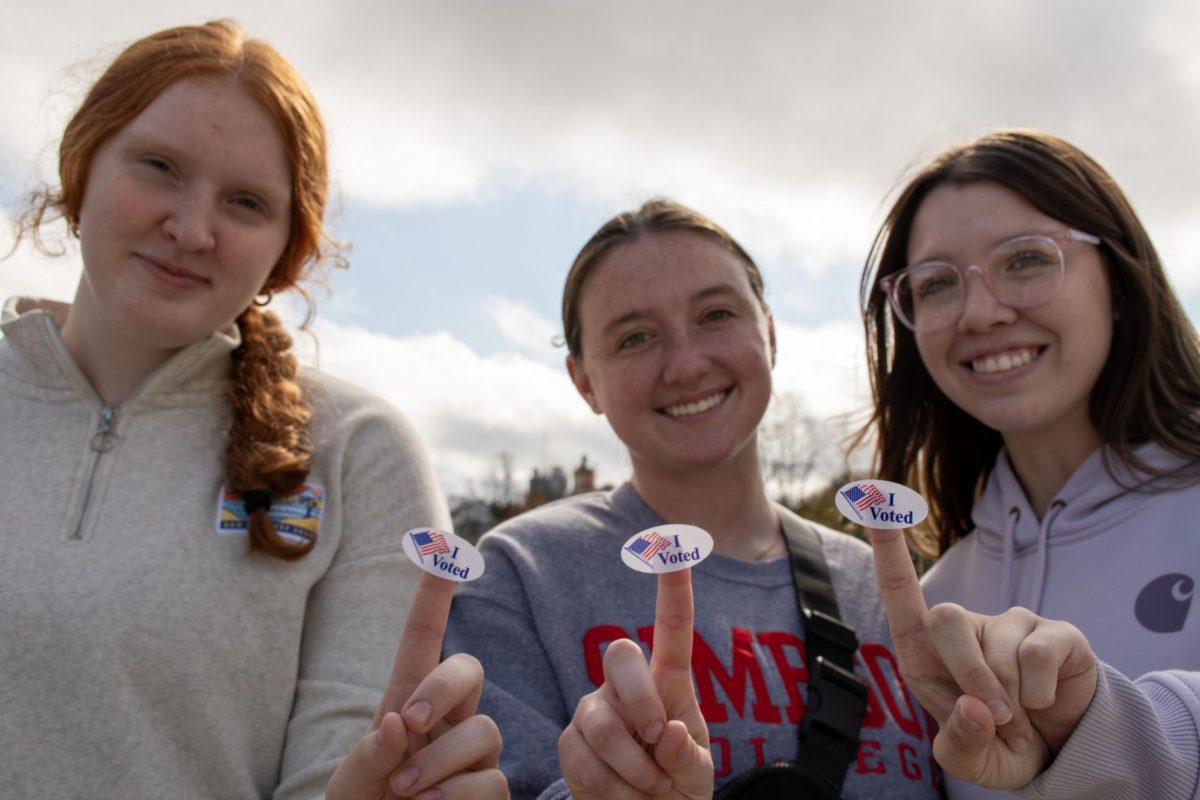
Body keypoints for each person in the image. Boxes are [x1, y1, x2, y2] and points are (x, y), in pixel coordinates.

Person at [0, 20, 505, 799]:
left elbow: (335, 777)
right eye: (160, 166)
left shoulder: (358, 453)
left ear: (285, 250)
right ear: (82, 164)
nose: (192, 229)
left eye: (245, 203)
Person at [443, 198, 943, 799]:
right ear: (583, 382)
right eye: (635, 338)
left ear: (771, 334)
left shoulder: (879, 586)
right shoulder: (521, 574)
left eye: (716, 315)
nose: (685, 365)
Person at [858, 129, 1200, 798]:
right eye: (936, 285)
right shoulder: (936, 603)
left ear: (1121, 281)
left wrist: (1098, 727)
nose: (981, 313)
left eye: (1025, 261)